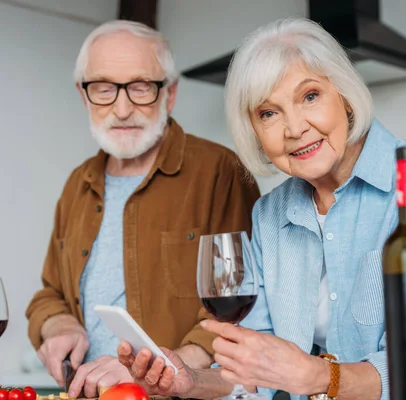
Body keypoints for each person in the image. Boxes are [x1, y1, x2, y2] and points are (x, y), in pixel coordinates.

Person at [118, 17, 406, 400]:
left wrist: (318, 376)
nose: (294, 128)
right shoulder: (269, 215)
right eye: (268, 113)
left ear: (343, 94)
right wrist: (191, 381)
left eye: (309, 96)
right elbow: (257, 374)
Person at [25, 20, 260, 398]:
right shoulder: (77, 185)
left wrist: (163, 369)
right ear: (84, 96)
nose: (121, 108)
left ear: (169, 94)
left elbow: (242, 309)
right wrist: (56, 325)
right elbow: (50, 293)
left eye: (140, 88)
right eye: (103, 88)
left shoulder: (222, 172)